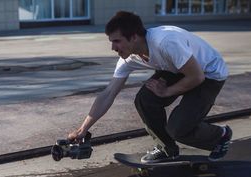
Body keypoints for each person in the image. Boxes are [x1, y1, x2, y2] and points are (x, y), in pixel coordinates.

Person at [68, 11, 232, 163]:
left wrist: (167, 91)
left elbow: (196, 77)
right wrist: (83, 130)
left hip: (209, 73)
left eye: (117, 41)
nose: (113, 48)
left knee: (178, 129)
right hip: (176, 68)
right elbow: (108, 94)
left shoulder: (165, 42)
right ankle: (167, 148)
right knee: (145, 100)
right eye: (111, 42)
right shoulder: (128, 58)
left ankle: (220, 135)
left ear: (133, 37)